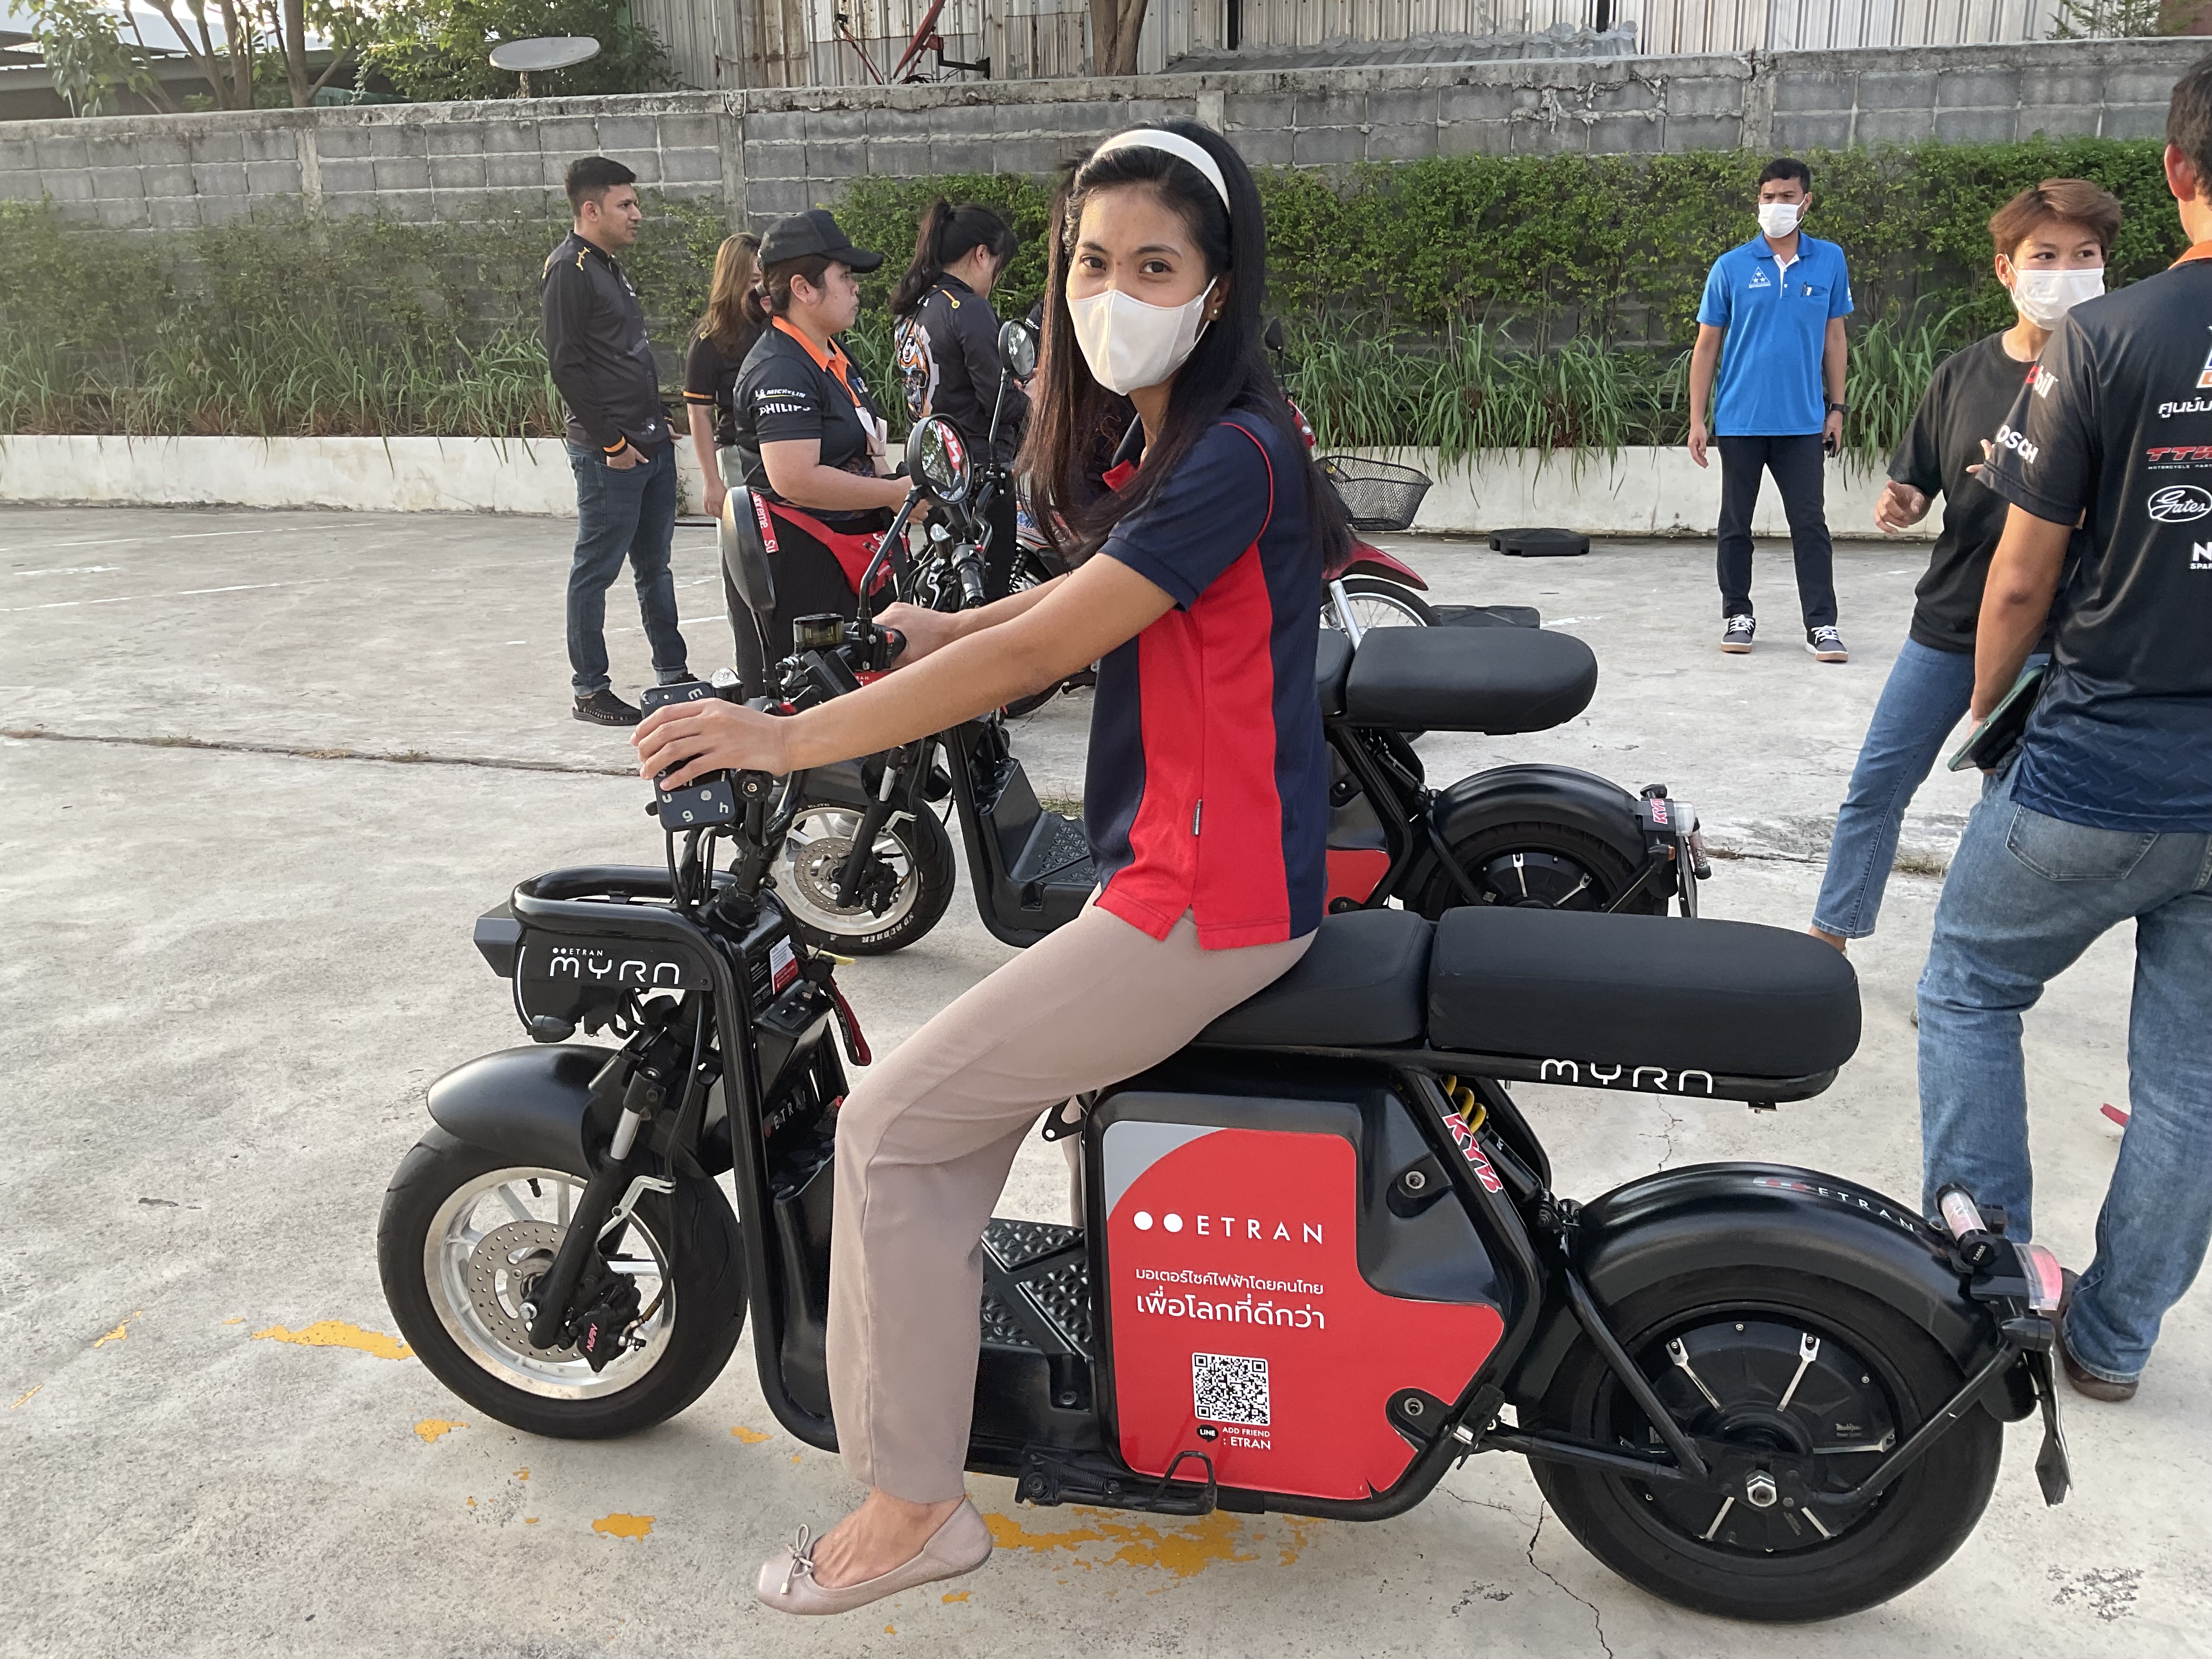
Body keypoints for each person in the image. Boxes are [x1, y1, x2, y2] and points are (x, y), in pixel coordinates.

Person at [633, 120, 1352, 1611]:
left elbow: (1047, 648)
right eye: (1091, 263)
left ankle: (914, 1507)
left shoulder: (1229, 454)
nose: (1113, 295)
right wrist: (950, 627)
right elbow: (1097, 603)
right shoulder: (1188, 440)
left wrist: (781, 738)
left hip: (1199, 901)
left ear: (1218, 289)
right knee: (938, 1125)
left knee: (891, 1126)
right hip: (1194, 869)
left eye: (1154, 267)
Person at [1919, 54, 2212, 1405]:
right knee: (2191, 1080)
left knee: (1970, 987)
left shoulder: (2111, 338)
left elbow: (2021, 578)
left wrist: (1989, 714)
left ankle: (1986, 1302)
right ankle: (2111, 1341)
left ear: (2176, 169)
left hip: (2098, 762)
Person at [1810, 180, 2121, 952]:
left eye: (2084, 255)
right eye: (2045, 256)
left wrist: (2062, 505)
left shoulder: (2123, 380)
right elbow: (1920, 478)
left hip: (2058, 637)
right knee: (1877, 785)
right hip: (1951, 621)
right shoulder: (1963, 373)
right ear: (2006, 268)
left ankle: (1967, 970)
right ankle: (1827, 942)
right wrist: (1905, 501)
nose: (2066, 272)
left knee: (2006, 810)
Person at [722, 208, 907, 694]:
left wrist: (895, 486)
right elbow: (795, 478)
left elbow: (866, 440)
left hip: (846, 554)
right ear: (803, 289)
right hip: (802, 564)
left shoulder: (829, 353)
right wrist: (893, 495)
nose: (856, 288)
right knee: (815, 699)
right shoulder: (780, 368)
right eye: (844, 276)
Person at [540, 155, 692, 727]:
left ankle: (674, 673)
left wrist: (657, 421)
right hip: (612, 455)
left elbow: (623, 358)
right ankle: (590, 690)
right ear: (591, 209)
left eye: (635, 203)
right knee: (596, 569)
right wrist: (611, 443)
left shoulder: (606, 265)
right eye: (625, 204)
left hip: (649, 443)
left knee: (656, 567)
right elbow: (567, 366)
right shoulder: (569, 269)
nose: (637, 214)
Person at [1688, 157, 1855, 662]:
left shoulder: (1829, 260)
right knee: (1735, 524)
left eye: (1786, 197)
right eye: (1768, 197)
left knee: (1810, 526)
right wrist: (1697, 419)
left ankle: (1821, 625)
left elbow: (1835, 338)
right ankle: (1738, 614)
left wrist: (1837, 408)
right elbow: (1706, 346)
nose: (1776, 205)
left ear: (1806, 201)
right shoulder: (1731, 266)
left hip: (1803, 423)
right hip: (1741, 420)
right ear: (1757, 202)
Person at [890, 201, 1026, 596]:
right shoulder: (969, 309)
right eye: (998, 267)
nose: (996, 280)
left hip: (934, 474)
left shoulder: (911, 311)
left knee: (948, 590)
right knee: (987, 599)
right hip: (979, 480)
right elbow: (999, 403)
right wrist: (1038, 404)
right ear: (982, 254)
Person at [682, 232, 764, 523]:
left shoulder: (777, 325)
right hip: (739, 455)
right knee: (745, 541)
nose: (762, 289)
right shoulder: (710, 339)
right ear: (733, 280)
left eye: (765, 279)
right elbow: (698, 413)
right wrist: (712, 481)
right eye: (754, 281)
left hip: (786, 449)